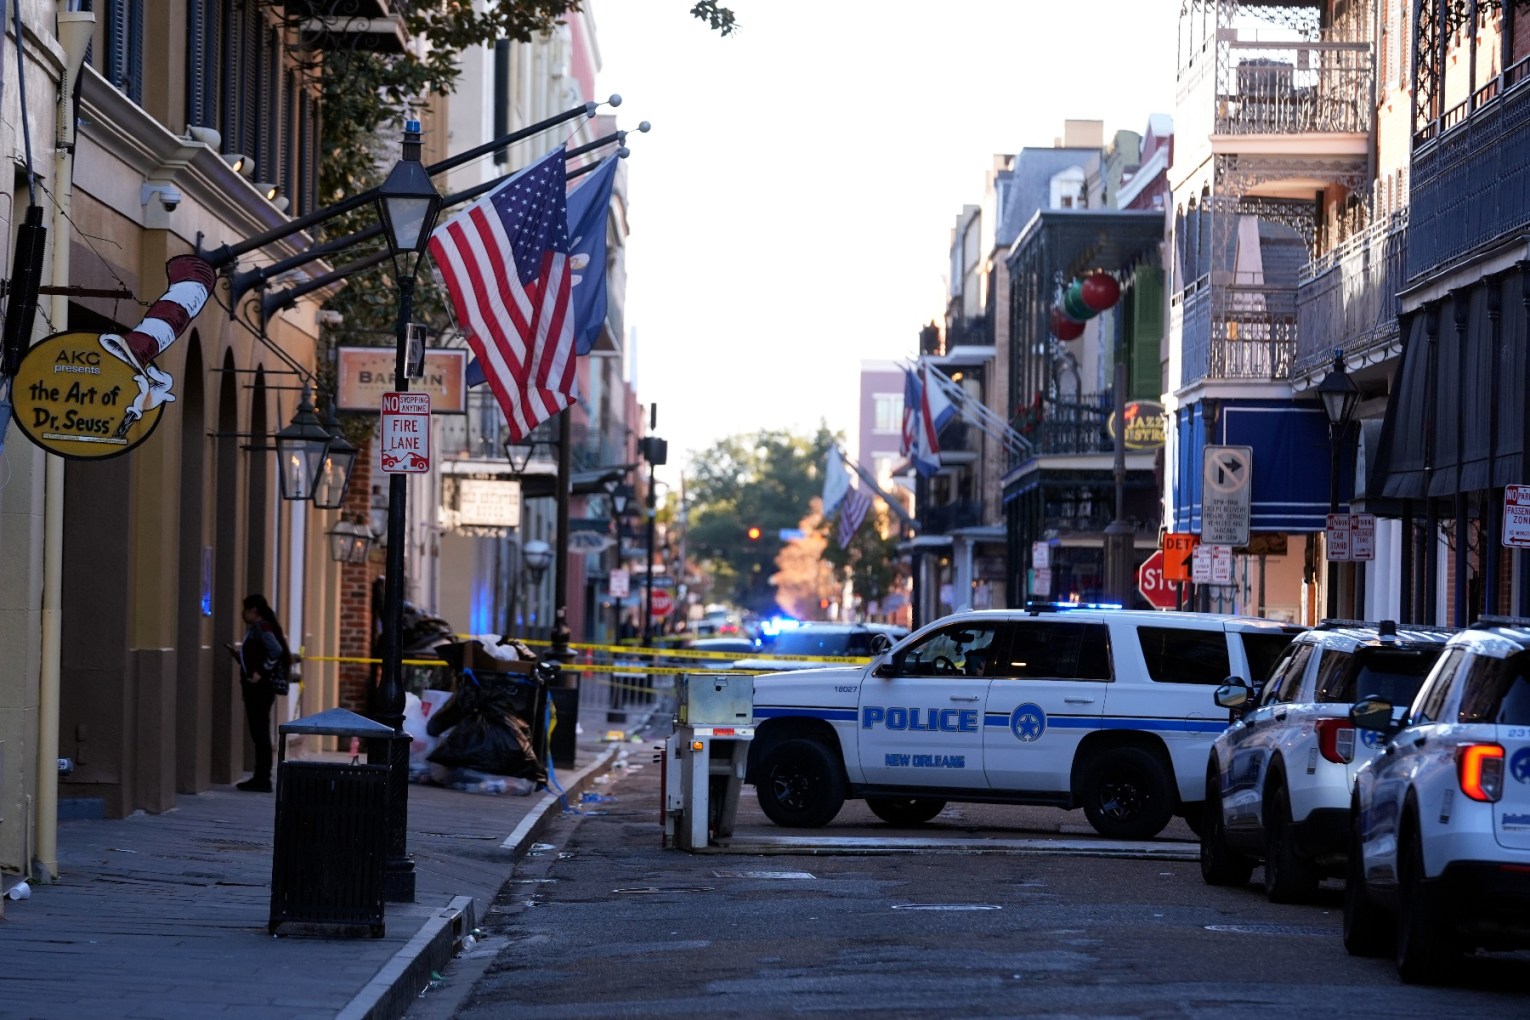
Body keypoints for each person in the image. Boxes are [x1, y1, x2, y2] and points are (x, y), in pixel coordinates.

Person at [228, 593, 289, 792]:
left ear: (254, 610)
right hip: (258, 688)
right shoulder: (258, 628)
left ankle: (262, 778)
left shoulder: (261, 628)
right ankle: (261, 777)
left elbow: (276, 650)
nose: (242, 614)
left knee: (260, 732)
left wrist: (260, 672)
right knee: (259, 732)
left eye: (245, 610)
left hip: (259, 690)